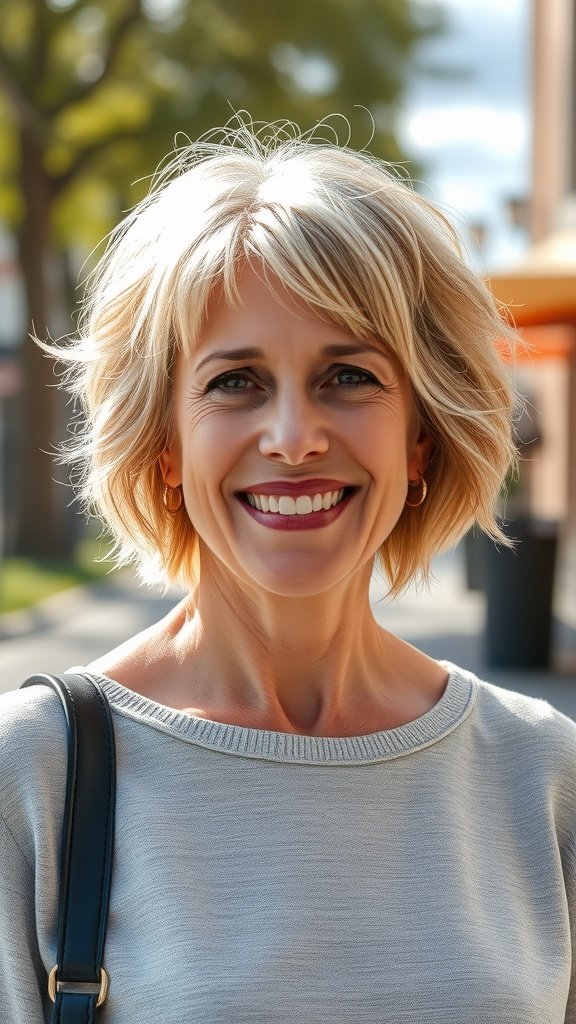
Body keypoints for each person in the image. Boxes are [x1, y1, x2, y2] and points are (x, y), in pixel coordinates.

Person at [1, 119, 575, 1024]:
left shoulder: (542, 772)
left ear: (420, 440)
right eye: (236, 382)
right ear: (164, 444)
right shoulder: (34, 773)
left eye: (349, 376)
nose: (295, 436)